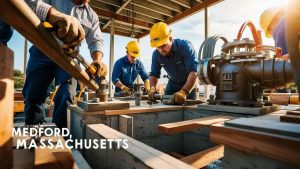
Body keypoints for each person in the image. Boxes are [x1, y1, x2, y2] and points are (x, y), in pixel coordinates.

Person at [23, 0, 104, 128]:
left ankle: (60, 137)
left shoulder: (92, 16)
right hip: (41, 49)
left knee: (66, 95)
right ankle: (33, 131)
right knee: (33, 94)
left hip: (69, 58)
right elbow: (29, 3)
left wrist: (97, 60)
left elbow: (95, 41)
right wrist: (52, 13)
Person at [147, 22, 198, 104]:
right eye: (157, 47)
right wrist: (152, 88)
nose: (160, 50)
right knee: (164, 105)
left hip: (188, 84)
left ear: (170, 39)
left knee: (190, 108)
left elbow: (194, 71)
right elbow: (154, 74)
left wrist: (184, 91)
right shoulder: (156, 54)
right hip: (172, 84)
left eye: (163, 45)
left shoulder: (185, 47)